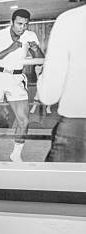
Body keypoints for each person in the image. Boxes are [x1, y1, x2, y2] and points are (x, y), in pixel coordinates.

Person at [0, 8, 44, 162]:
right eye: (19, 24)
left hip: (17, 78)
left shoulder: (30, 35)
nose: (22, 27)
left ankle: (16, 154)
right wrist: (10, 49)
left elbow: (40, 59)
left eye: (26, 24)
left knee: (24, 121)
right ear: (11, 22)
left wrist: (36, 49)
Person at [37, 5, 86, 162]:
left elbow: (49, 95)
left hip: (78, 125)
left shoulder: (70, 20)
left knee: (60, 184)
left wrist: (40, 74)